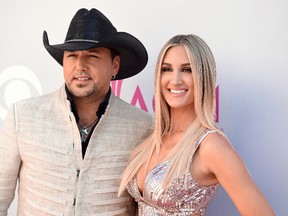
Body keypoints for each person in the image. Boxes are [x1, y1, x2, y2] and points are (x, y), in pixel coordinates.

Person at [0, 8, 153, 215]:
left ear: (114, 65)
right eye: (72, 56)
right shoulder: (23, 117)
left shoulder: (142, 126)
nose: (80, 65)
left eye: (92, 56)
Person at [118, 34, 275, 215]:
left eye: (187, 69)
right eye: (167, 69)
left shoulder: (211, 145)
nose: (175, 79)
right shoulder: (151, 139)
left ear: (203, 77)